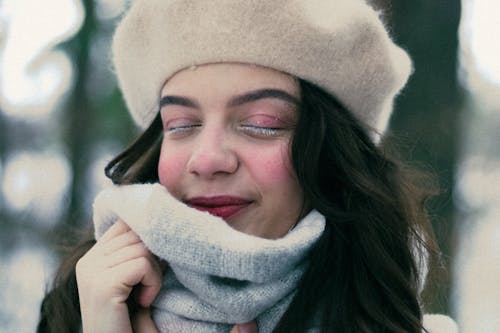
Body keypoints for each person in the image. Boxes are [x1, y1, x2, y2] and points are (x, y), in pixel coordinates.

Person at [37, 1, 458, 332]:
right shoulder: (80, 309)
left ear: (333, 155)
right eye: (181, 125)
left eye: (261, 125)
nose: (208, 159)